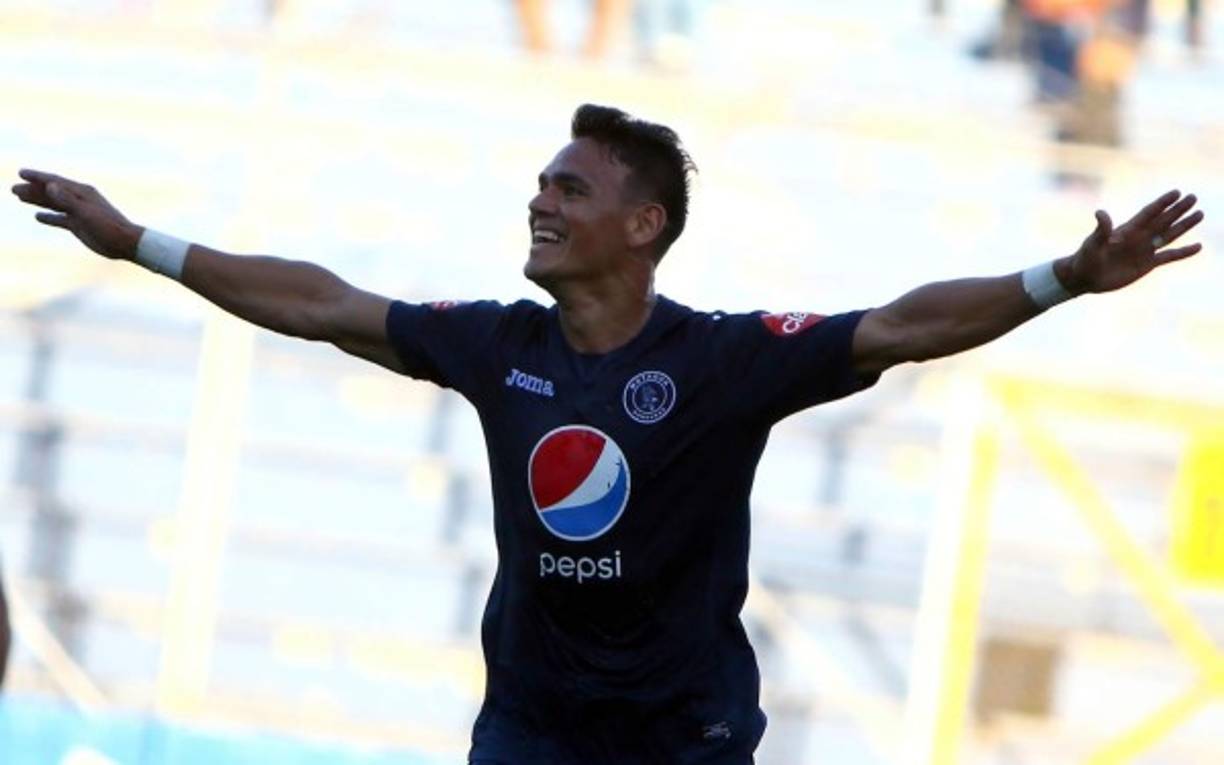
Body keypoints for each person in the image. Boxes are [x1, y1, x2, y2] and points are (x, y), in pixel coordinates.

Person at [10, 104, 1204, 763]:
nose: (540, 200)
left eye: (569, 188)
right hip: (532, 731)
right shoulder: (497, 345)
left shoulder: (724, 361)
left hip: (684, 738)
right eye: (541, 183)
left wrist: (1061, 277)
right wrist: (139, 243)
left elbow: (901, 325)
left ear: (643, 226)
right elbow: (322, 304)